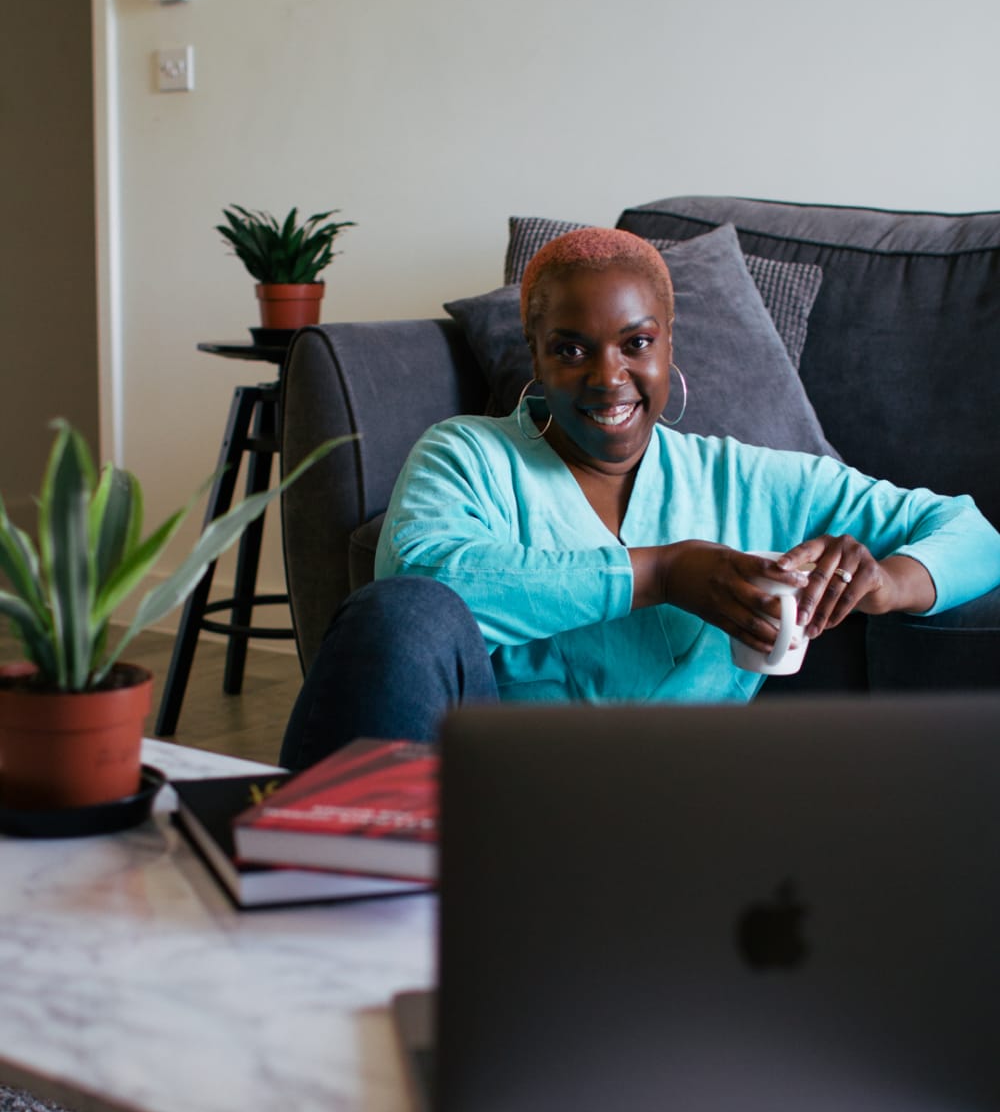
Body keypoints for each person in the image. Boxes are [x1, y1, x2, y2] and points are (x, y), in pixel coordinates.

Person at [281, 228, 1000, 769]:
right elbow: (422, 578)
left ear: (667, 347)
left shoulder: (747, 482)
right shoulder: (469, 455)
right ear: (534, 353)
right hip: (474, 792)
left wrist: (883, 582)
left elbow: (973, 532)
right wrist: (661, 573)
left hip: (667, 807)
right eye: (570, 349)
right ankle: (341, 905)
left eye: (636, 343)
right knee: (399, 611)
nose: (608, 376)